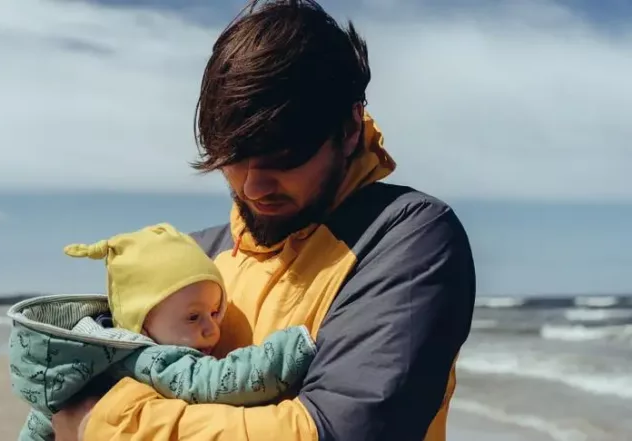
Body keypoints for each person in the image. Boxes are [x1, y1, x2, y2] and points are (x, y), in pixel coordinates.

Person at [51, 1, 477, 440]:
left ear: (349, 129)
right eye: (233, 160)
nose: (253, 187)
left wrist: (104, 424)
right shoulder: (196, 258)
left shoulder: (406, 238)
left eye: (284, 158)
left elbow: (338, 430)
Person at [7, 223, 316, 441]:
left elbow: (39, 423)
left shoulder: (89, 355)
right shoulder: (151, 360)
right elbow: (220, 381)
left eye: (214, 312)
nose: (212, 330)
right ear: (142, 322)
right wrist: (291, 348)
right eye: (193, 317)